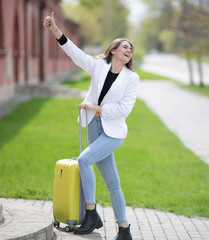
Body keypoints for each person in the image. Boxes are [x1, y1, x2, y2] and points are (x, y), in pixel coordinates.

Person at [44, 12, 139, 240]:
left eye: (131, 50)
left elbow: (124, 110)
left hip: (113, 133)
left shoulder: (131, 78)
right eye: (125, 46)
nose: (129, 51)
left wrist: (95, 108)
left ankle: (91, 213)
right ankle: (124, 229)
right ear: (114, 49)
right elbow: (75, 54)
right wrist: (54, 30)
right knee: (113, 183)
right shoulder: (98, 66)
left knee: (84, 160)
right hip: (94, 127)